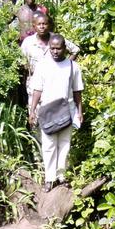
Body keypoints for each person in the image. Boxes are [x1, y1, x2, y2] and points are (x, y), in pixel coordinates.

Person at [28, 34, 84, 192]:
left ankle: (61, 177)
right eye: (52, 48)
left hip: (68, 110)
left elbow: (78, 91)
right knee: (49, 146)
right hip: (48, 112)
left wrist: (80, 112)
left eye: (58, 48)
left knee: (64, 145)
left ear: (65, 49)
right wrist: (32, 111)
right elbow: (36, 90)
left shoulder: (73, 67)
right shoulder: (42, 65)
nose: (55, 51)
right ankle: (49, 179)